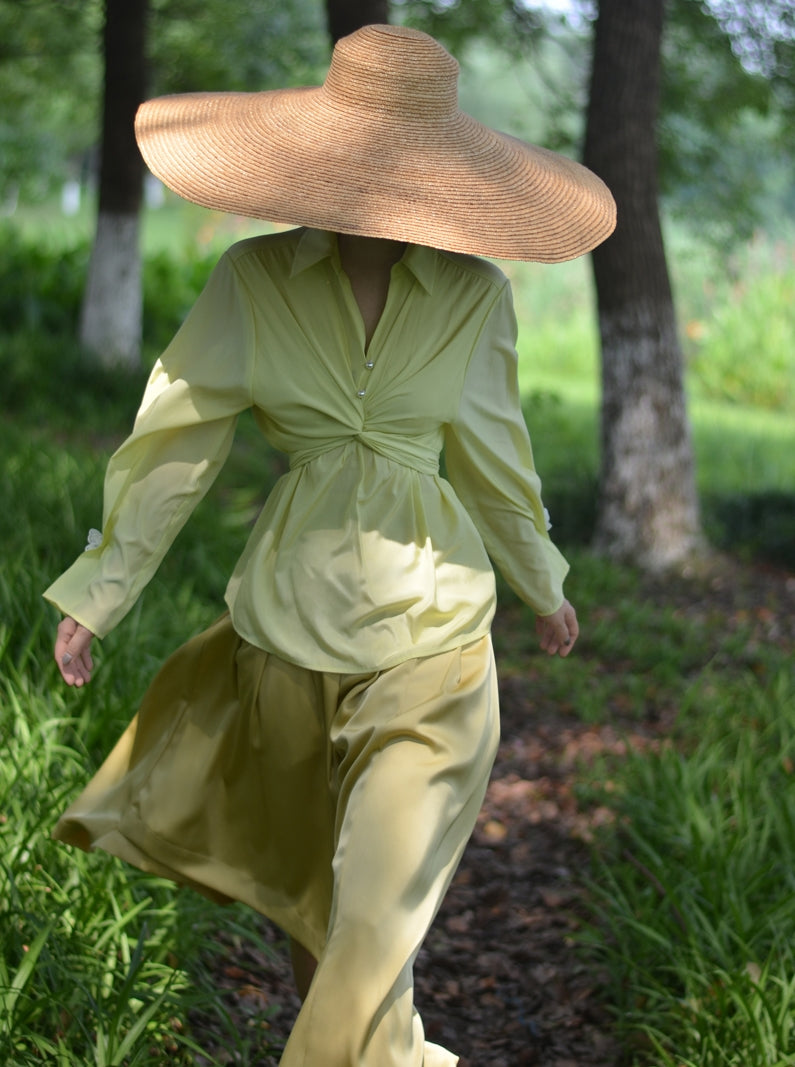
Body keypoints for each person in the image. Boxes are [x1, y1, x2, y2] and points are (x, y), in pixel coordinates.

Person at [46, 24, 615, 1067]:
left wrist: (542, 579)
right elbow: (177, 435)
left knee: (371, 915)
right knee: (323, 919)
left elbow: (494, 450)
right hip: (283, 640)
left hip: (436, 643)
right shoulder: (252, 281)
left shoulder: (476, 293)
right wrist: (102, 585)